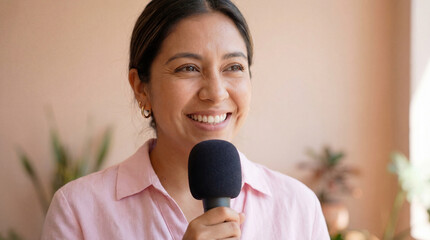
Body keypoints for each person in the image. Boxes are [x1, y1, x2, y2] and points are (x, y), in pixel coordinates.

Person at [41, 0, 330, 239]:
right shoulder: (78, 210)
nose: (216, 93)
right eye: (188, 68)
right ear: (141, 87)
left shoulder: (298, 208)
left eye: (233, 67)